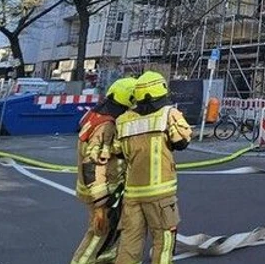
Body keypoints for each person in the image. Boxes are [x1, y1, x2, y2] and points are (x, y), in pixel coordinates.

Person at [114, 71, 193, 264]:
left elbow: (118, 152)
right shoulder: (168, 114)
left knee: (129, 242)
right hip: (160, 193)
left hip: (132, 194)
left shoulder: (123, 120)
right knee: (163, 240)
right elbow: (182, 142)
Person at [71, 77, 136, 264]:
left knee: (113, 226)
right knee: (99, 230)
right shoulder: (107, 125)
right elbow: (92, 163)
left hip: (101, 186)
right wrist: (100, 200)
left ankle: (105, 257)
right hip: (101, 188)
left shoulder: (97, 114)